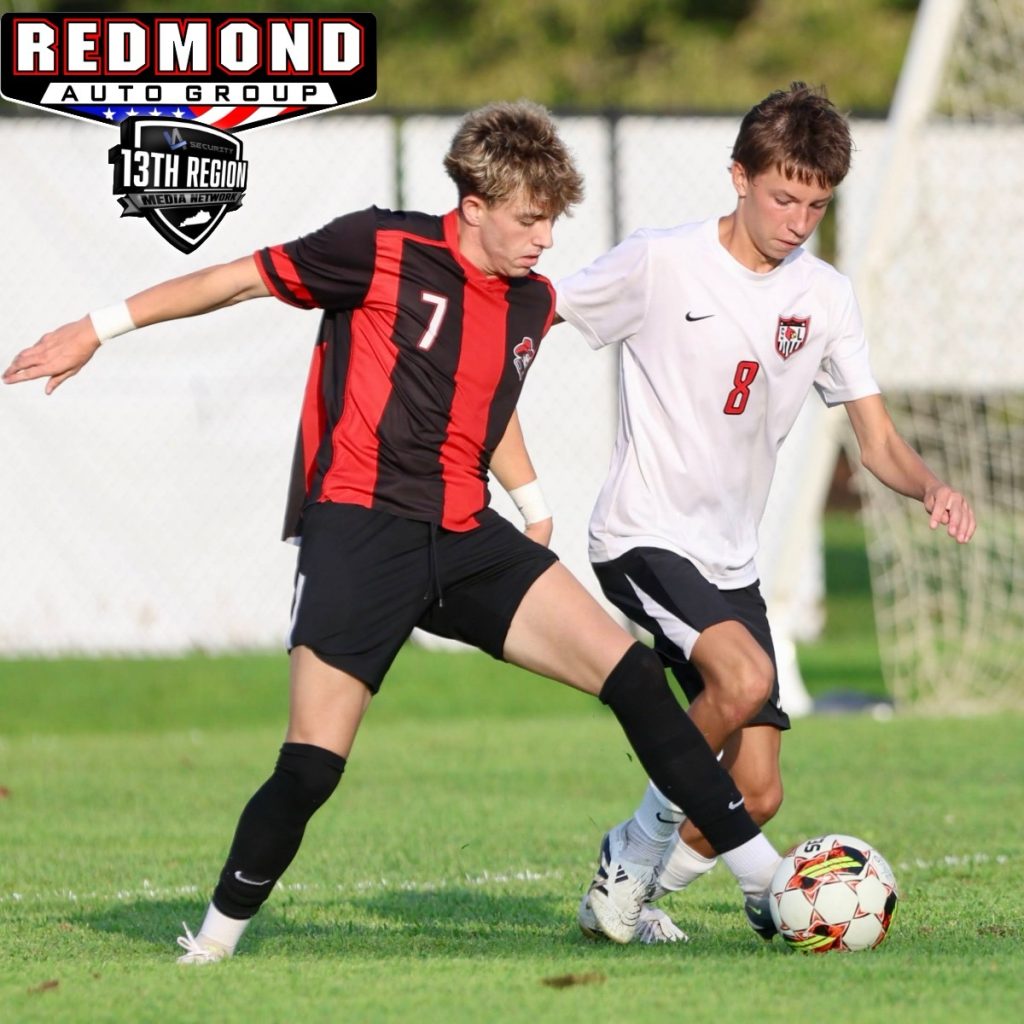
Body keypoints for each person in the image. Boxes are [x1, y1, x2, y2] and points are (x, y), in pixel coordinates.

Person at [4, 100, 784, 963]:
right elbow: (235, 278)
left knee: (634, 677)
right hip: (359, 532)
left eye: (552, 221)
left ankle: (767, 880)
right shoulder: (377, 246)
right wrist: (97, 329)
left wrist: (529, 502)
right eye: (529, 220)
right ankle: (214, 945)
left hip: (465, 534)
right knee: (311, 767)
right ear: (474, 205)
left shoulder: (531, 302)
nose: (544, 240)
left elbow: (485, 399)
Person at [555, 82, 977, 944]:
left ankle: (635, 896)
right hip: (642, 534)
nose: (798, 221)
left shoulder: (824, 296)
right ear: (739, 177)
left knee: (757, 792)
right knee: (742, 679)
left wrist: (930, 485)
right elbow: (540, 310)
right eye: (784, 198)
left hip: (730, 558)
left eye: (817, 206)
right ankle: (631, 855)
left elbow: (877, 440)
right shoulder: (662, 262)